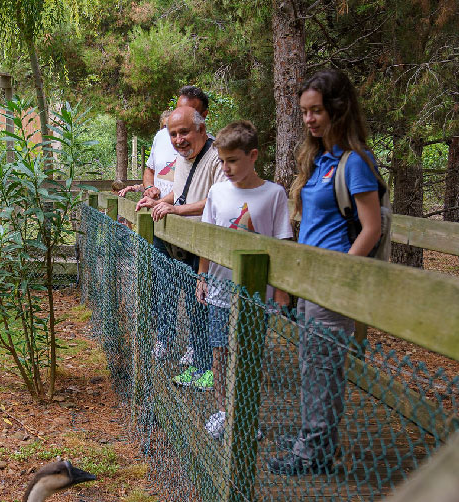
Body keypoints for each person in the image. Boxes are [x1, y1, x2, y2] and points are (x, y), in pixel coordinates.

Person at [265, 68, 384, 475]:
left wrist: (341, 275)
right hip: (310, 280)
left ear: (338, 109)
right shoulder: (319, 160)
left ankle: (313, 454)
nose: (310, 120)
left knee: (321, 368)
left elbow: (372, 228)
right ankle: (314, 444)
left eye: (317, 111)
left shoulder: (355, 164)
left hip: (333, 283)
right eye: (304, 112)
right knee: (314, 365)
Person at [166, 121, 292, 440]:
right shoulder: (218, 192)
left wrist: (281, 292)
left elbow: (282, 246)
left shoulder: (274, 194)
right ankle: (223, 410)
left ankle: (246, 414)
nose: (226, 168)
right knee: (220, 352)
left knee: (248, 354)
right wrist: (202, 276)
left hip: (255, 295)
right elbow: (208, 239)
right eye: (222, 161)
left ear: (253, 156)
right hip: (220, 290)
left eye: (233, 161)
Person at [135, 105, 226, 371]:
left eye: (184, 132)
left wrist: (175, 209)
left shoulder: (217, 156)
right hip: (184, 243)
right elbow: (179, 191)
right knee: (191, 303)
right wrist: (158, 202)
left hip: (208, 247)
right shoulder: (184, 158)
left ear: (201, 128)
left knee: (204, 308)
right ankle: (200, 365)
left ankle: (209, 369)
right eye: (173, 134)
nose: (178, 140)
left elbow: (218, 200)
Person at [119, 85, 211, 201]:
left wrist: (162, 205)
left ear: (203, 116)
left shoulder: (212, 150)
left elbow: (207, 197)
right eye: (178, 111)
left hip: (185, 217)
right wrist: (149, 188)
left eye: (189, 113)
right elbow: (150, 170)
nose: (179, 140)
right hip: (157, 215)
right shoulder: (161, 136)